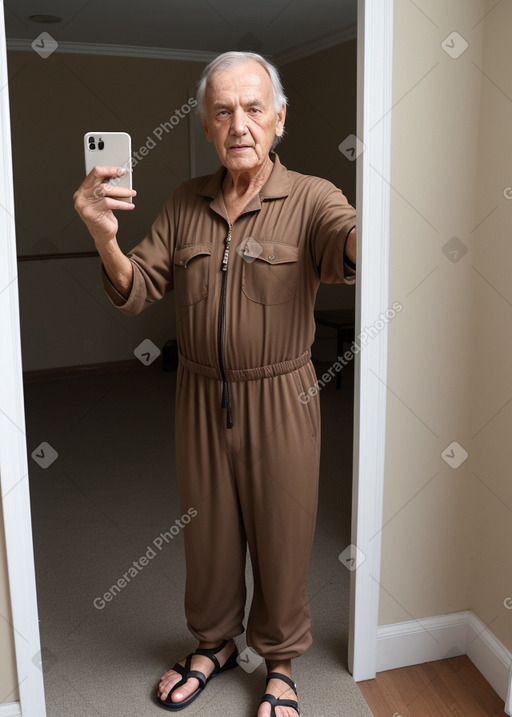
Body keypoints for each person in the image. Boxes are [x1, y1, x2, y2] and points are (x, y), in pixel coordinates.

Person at [73, 50, 357, 717]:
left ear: (279, 117)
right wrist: (101, 233)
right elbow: (136, 287)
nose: (240, 124)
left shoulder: (313, 198)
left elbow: (346, 244)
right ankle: (215, 643)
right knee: (208, 536)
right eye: (223, 109)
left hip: (282, 396)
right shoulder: (183, 202)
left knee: (283, 536)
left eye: (254, 107)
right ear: (203, 122)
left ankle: (281, 663)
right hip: (199, 397)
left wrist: (377, 229)